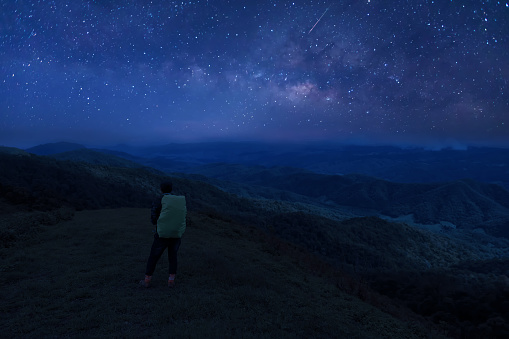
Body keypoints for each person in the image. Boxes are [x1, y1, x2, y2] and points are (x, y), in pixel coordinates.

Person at [140, 181, 187, 288]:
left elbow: (154, 216)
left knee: (154, 257)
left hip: (162, 234)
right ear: (171, 189)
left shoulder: (159, 199)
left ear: (161, 189)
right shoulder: (177, 201)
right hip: (176, 234)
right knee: (173, 257)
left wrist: (158, 224)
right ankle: (171, 281)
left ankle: (146, 281)